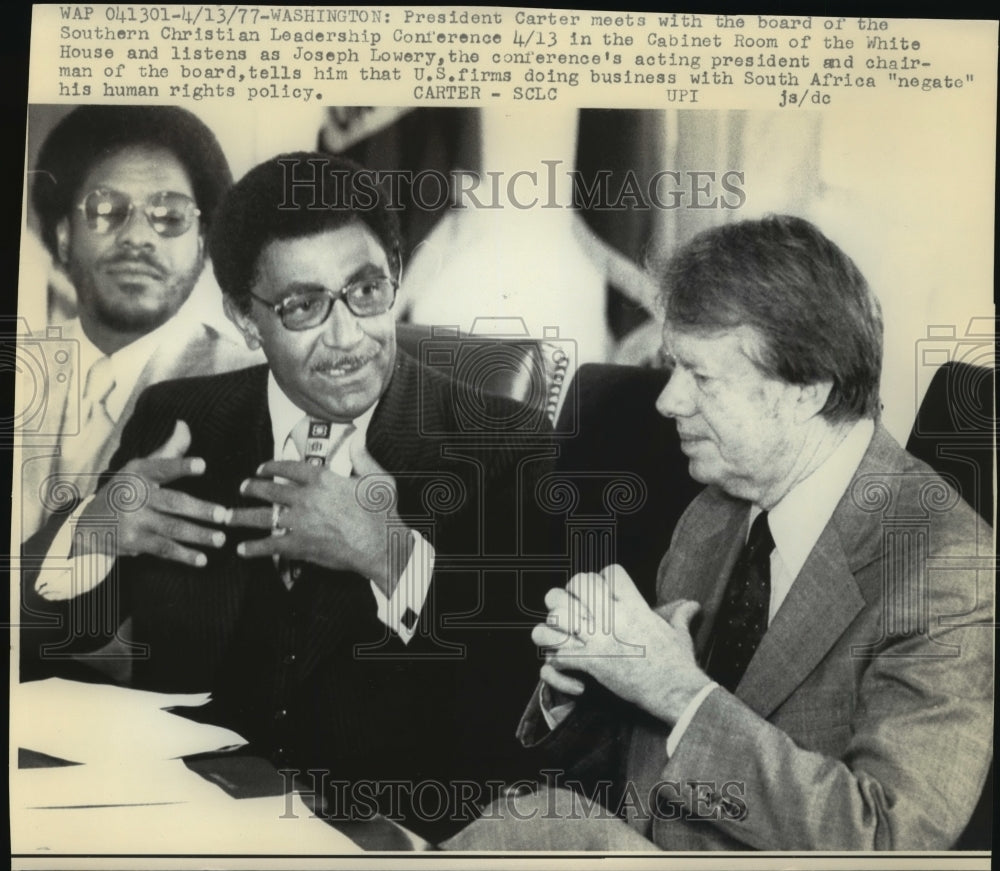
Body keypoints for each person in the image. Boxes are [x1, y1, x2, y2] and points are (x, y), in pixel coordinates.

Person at [21, 152, 555, 841]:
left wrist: (391, 557)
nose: (347, 337)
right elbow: (57, 643)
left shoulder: (505, 442)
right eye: (303, 305)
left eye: (366, 291)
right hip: (181, 825)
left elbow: (534, 701)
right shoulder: (180, 420)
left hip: (394, 836)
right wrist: (90, 534)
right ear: (246, 320)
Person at [443, 215, 994, 851]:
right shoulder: (717, 509)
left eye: (701, 377)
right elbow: (654, 765)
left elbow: (888, 842)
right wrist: (587, 686)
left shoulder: (947, 569)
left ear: (806, 392)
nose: (668, 401)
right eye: (673, 367)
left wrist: (678, 689)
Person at [18, 105, 260, 541]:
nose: (137, 237)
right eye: (107, 209)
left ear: (202, 245)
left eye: (169, 218)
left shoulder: (249, 388)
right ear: (63, 235)